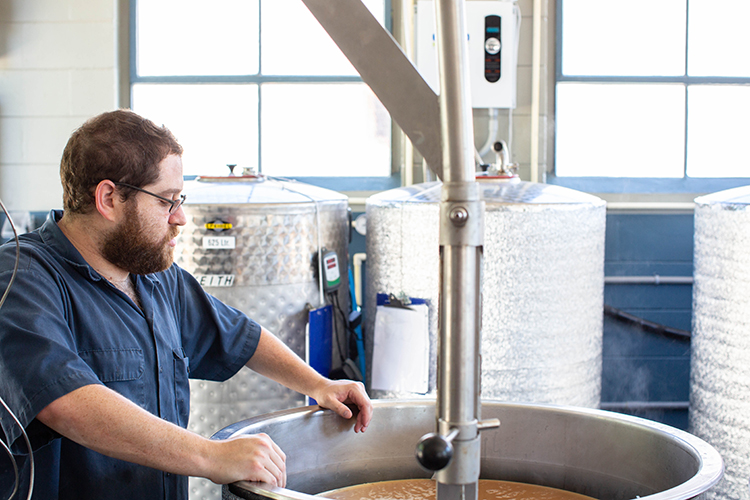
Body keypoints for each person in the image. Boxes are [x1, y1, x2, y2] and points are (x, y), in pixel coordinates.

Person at [0, 109, 373, 500]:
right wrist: (212, 457)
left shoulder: (153, 276)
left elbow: (240, 335)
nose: (180, 218)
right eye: (166, 201)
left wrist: (317, 383)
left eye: (181, 199)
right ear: (108, 198)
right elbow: (66, 402)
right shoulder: (22, 279)